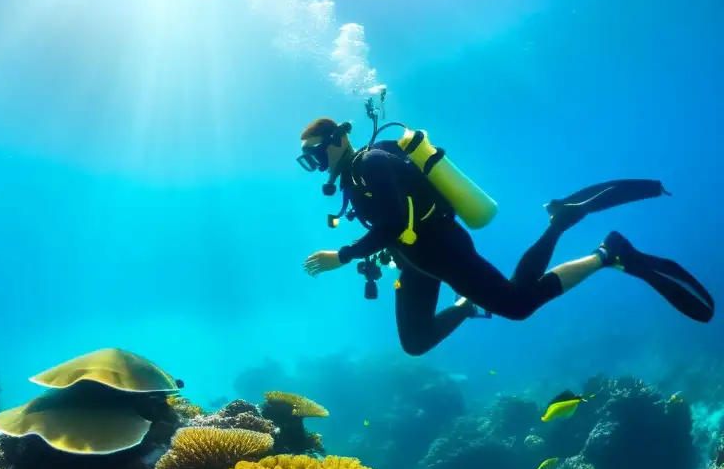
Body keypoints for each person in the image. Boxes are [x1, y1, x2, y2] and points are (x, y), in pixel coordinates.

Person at [298, 115, 714, 356]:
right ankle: (467, 304)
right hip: (415, 261)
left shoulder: (370, 163)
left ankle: (597, 247)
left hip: (444, 251)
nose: (316, 164)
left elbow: (390, 224)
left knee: (517, 304)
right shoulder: (353, 178)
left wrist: (343, 255)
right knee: (415, 341)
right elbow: (391, 228)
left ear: (339, 140)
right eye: (308, 159)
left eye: (316, 153)